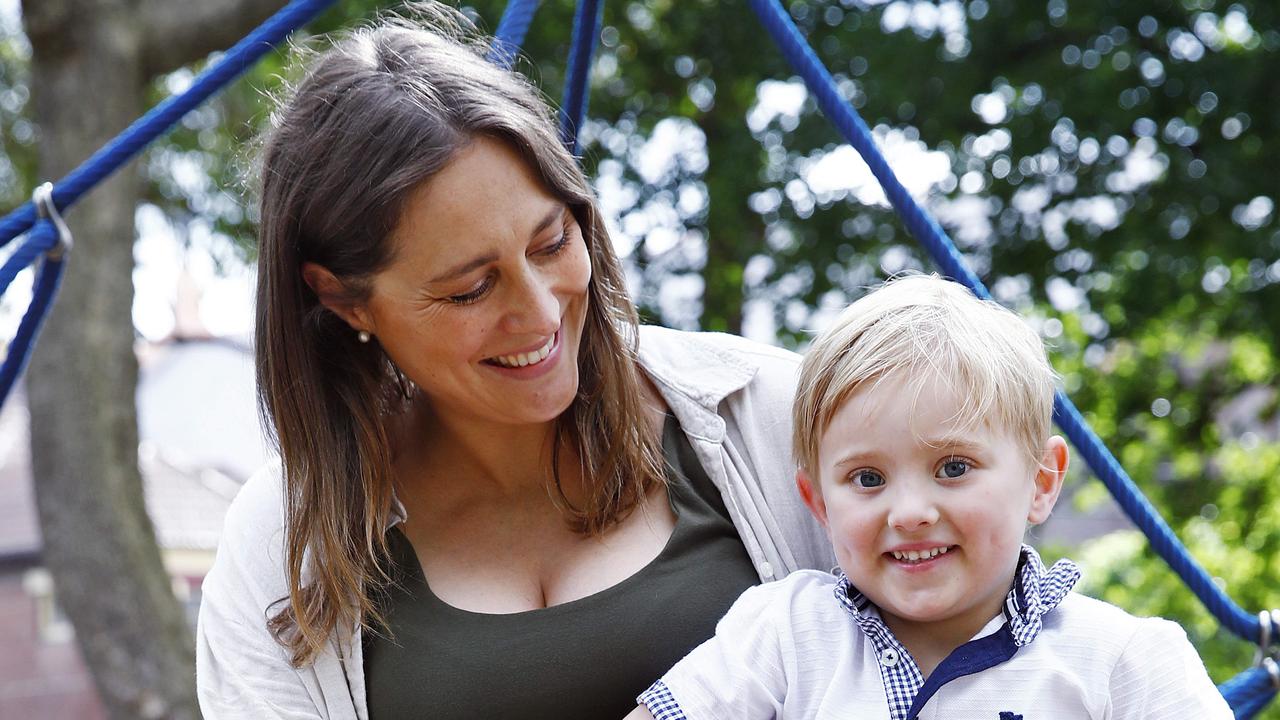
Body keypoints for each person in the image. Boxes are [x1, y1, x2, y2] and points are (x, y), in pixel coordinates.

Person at [194, 5, 834, 719]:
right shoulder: (283, 544)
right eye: (470, 289)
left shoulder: (775, 415)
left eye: (551, 243)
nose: (539, 312)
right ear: (345, 301)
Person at [627, 274, 1232, 719]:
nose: (911, 512)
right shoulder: (786, 634)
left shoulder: (1122, 663)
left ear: (1041, 482)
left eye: (953, 467)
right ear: (818, 503)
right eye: (867, 479)